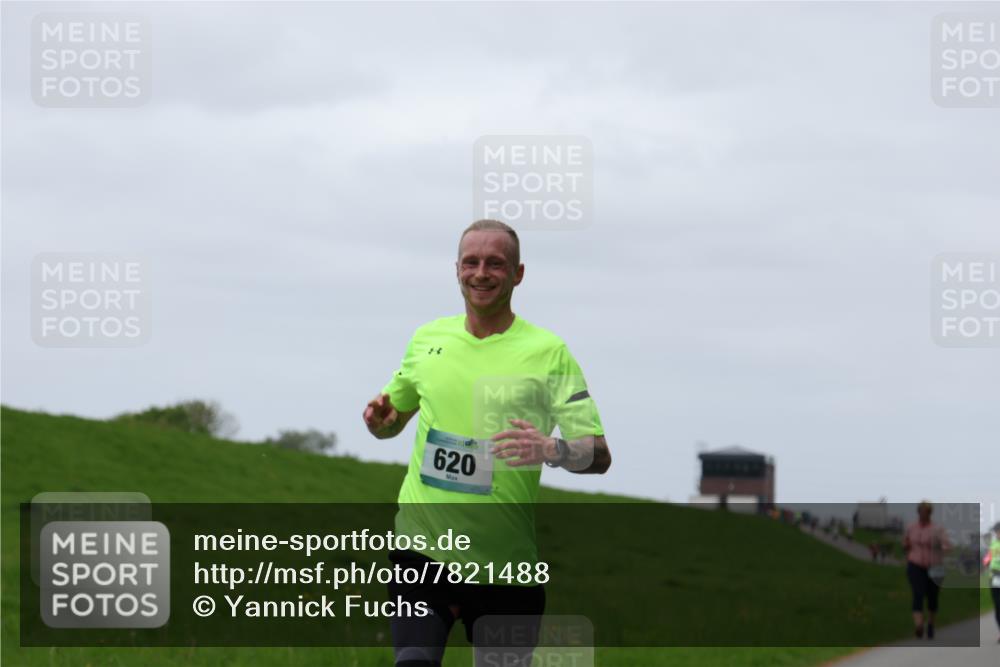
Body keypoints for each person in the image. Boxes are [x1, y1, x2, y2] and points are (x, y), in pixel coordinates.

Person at [363, 219, 612, 667]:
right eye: (471, 262)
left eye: (495, 263)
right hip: (422, 552)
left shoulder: (549, 352)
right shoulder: (428, 339)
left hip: (506, 568)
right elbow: (393, 419)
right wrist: (381, 421)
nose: (481, 273)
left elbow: (598, 454)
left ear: (517, 274)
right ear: (456, 269)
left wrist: (551, 449)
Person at [902, 501, 952, 640]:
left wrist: (939, 548)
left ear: (930, 513)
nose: (924, 514)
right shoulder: (911, 527)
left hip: (935, 566)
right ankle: (919, 625)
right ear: (918, 512)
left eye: (927, 512)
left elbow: (948, 546)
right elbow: (905, 542)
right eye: (922, 511)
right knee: (918, 593)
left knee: (932, 598)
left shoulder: (937, 529)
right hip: (915, 564)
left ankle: (930, 623)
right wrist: (906, 546)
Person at [987, 522, 1000, 642]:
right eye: (996, 531)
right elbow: (988, 557)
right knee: (998, 606)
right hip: (994, 578)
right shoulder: (993, 544)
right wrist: (986, 561)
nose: (997, 533)